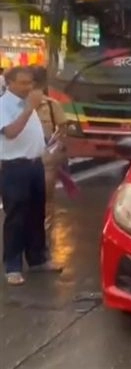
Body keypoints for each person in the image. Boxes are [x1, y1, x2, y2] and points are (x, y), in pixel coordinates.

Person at [0, 66, 61, 286]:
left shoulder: (29, 102)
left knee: (37, 213)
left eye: (31, 83)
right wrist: (28, 109)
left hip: (36, 165)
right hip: (14, 168)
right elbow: (11, 132)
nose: (29, 87)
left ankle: (37, 259)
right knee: (16, 217)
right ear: (10, 83)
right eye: (23, 83)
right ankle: (13, 266)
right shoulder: (4, 105)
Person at [31, 66, 68, 233]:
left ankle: (44, 228)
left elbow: (62, 130)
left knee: (46, 196)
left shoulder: (53, 106)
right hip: (22, 159)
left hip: (46, 159)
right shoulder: (16, 106)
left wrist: (56, 148)